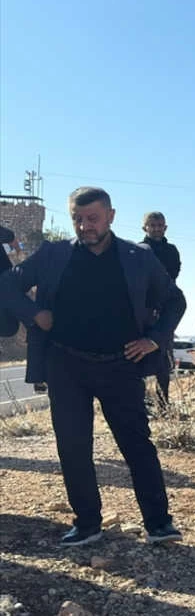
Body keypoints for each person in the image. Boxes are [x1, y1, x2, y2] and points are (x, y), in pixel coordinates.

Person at [0, 187, 185, 545]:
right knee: (73, 446)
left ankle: (159, 523)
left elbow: (175, 300)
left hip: (121, 365)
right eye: (78, 219)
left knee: (137, 445)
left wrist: (155, 339)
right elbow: (6, 284)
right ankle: (87, 523)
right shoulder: (53, 255)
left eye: (93, 218)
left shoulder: (138, 257)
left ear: (111, 216)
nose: (85, 226)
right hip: (65, 365)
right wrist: (35, 314)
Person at [141, 211, 181, 408]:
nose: (156, 229)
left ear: (165, 227)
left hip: (165, 307)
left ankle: (163, 403)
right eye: (152, 225)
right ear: (145, 227)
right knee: (137, 355)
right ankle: (138, 401)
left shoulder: (171, 250)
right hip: (142, 310)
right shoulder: (138, 250)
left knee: (164, 358)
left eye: (160, 225)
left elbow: (172, 275)